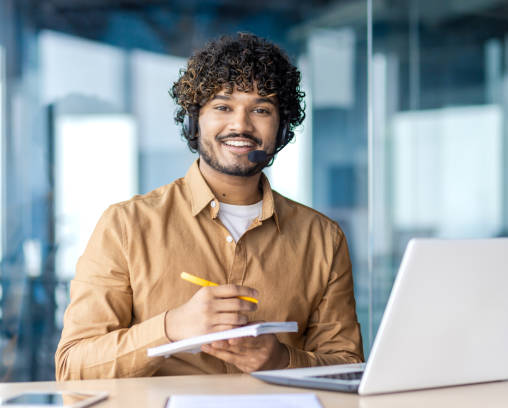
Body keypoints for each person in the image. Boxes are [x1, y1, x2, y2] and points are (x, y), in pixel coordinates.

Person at [55, 33, 363, 380]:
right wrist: (171, 327)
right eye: (223, 106)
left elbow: (349, 370)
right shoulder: (125, 225)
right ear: (193, 119)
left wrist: (281, 360)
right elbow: (73, 368)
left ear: (282, 129)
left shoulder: (323, 238)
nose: (241, 125)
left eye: (261, 109)